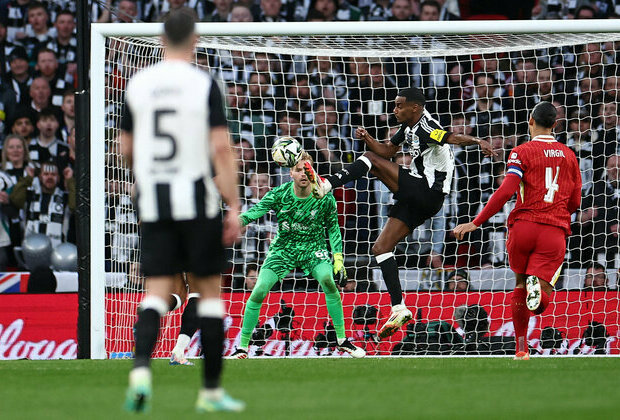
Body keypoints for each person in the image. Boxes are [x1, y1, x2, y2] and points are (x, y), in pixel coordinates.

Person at [119, 8, 244, 413]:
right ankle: (209, 392)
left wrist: (149, 174)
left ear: (160, 41)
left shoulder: (138, 84)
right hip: (196, 198)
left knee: (155, 294)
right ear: (194, 41)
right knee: (208, 296)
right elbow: (221, 148)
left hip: (154, 199)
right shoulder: (201, 83)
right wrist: (234, 204)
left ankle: (140, 370)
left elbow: (125, 149)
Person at [303, 87, 495, 339]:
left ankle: (325, 185)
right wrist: (369, 138)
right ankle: (399, 307)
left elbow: (451, 138)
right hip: (419, 196)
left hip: (428, 190)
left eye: (399, 105)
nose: (394, 110)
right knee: (381, 248)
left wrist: (477, 140)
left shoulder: (427, 126)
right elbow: (387, 152)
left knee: (368, 159)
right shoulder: (408, 127)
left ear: (414, 107)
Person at [453, 101, 582, 360]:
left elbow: (506, 190)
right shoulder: (569, 155)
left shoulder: (520, 152)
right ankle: (541, 296)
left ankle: (521, 349)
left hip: (523, 228)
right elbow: (576, 202)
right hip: (553, 230)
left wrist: (475, 222)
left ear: (530, 121)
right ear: (555, 125)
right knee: (541, 294)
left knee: (520, 285)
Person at [231, 152, 365, 359]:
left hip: (313, 248)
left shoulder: (324, 196)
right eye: (299, 170)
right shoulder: (279, 194)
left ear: (314, 172)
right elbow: (253, 212)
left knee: (329, 281)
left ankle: (342, 341)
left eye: (307, 169)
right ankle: (242, 348)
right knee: (258, 291)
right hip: (283, 248)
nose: (304, 174)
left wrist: (338, 258)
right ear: (290, 172)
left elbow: (333, 229)